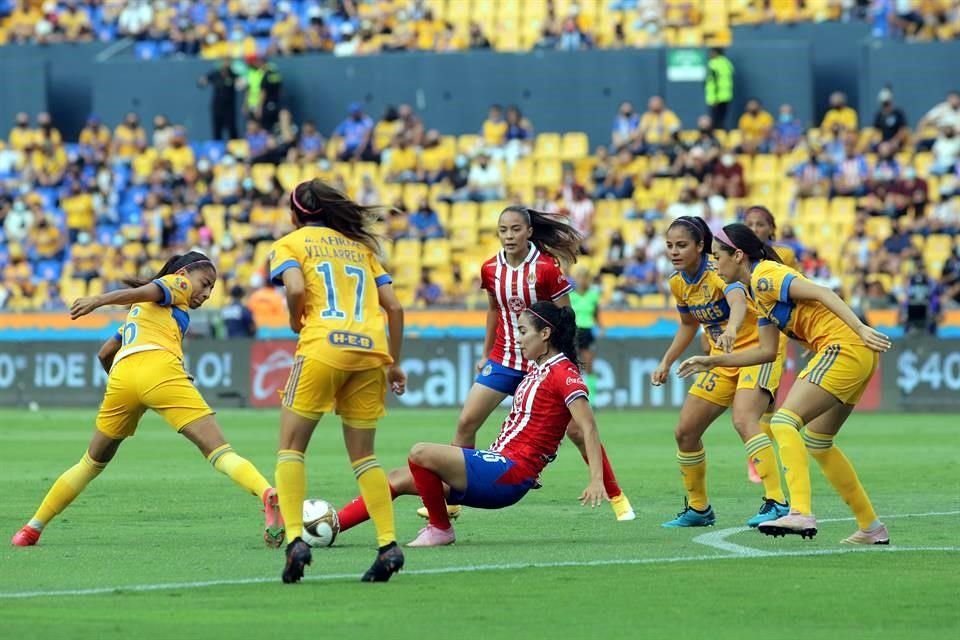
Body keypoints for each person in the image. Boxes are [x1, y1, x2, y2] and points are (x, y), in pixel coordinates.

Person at [11, 252, 284, 548]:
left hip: (122, 375)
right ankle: (267, 494)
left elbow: (105, 353)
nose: (205, 294)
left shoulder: (139, 314)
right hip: (160, 371)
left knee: (89, 463)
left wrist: (126, 386)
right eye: (204, 283)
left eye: (211, 290)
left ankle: (31, 529)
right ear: (184, 273)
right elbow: (148, 289)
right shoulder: (176, 282)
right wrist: (98, 301)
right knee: (219, 452)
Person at [416, 206, 634, 522]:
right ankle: (452, 501)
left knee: (576, 430)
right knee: (466, 422)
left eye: (516, 229)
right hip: (504, 359)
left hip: (541, 362)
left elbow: (565, 317)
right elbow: (493, 310)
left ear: (529, 231)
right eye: (503, 230)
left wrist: (566, 360)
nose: (509, 236)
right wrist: (485, 351)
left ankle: (615, 495)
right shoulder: (490, 268)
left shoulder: (546, 268)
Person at [678, 224, 892, 544]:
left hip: (845, 346)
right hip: (855, 352)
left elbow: (823, 292)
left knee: (783, 421)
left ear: (738, 255)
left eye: (718, 257)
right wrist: (712, 361)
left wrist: (860, 328)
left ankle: (800, 512)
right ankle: (871, 528)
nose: (714, 265)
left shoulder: (766, 275)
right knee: (819, 441)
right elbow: (765, 351)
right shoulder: (757, 292)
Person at [334, 301, 607, 546]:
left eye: (523, 331)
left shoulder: (564, 373)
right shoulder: (538, 368)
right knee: (395, 479)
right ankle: (331, 526)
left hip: (509, 473)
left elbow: (588, 427)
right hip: (500, 464)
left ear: (545, 334)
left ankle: (440, 528)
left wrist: (596, 479)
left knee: (420, 453)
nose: (518, 339)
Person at [269, 179, 407, 584]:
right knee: (365, 457)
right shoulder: (361, 248)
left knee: (291, 448)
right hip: (369, 351)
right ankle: (388, 544)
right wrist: (394, 363)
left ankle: (296, 538)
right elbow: (394, 307)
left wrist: (297, 319)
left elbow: (295, 287)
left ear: (296, 214)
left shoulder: (291, 243)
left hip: (322, 346)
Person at [653, 216, 788, 528]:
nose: (674, 251)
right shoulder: (678, 283)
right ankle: (699, 509)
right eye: (670, 246)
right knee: (685, 432)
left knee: (744, 419)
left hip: (757, 352)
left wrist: (733, 330)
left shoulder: (717, 272)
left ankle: (777, 502)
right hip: (721, 361)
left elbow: (738, 301)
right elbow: (688, 325)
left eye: (682, 245)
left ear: (701, 247)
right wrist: (666, 361)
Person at [569, 268, 602, 400]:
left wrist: (600, 326)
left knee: (589, 365)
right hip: (574, 332)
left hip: (588, 331)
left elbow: (596, 314)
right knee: (573, 365)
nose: (582, 281)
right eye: (579, 277)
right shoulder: (571, 296)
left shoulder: (593, 295)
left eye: (584, 278)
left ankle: (592, 399)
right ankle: (573, 396)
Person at [705, 48, 734, 129]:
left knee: (715, 120)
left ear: (715, 53)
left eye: (711, 52)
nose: (709, 55)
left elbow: (715, 81)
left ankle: (716, 137)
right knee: (722, 118)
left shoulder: (713, 64)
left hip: (716, 97)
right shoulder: (726, 63)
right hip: (726, 95)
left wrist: (715, 98)